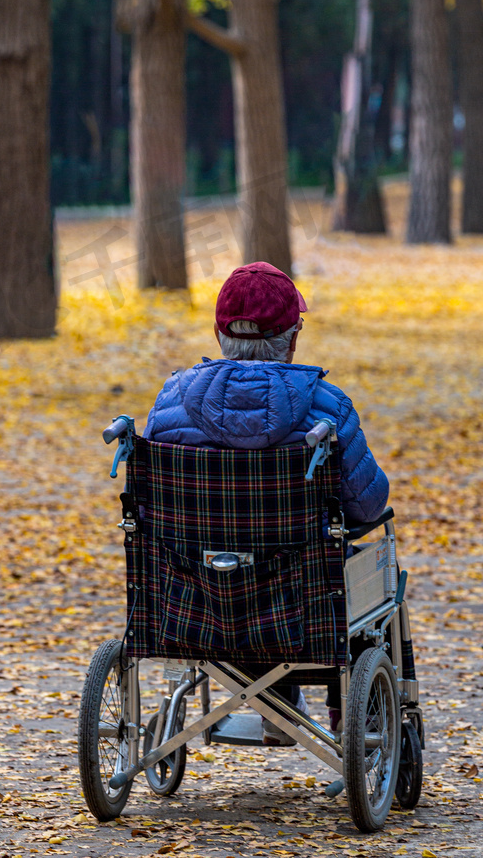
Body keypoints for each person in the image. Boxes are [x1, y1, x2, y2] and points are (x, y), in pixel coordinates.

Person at [143, 260, 389, 744]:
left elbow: (151, 508)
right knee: (366, 571)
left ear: (220, 334)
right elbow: (368, 506)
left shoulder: (170, 398)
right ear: (292, 338)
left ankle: (270, 699)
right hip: (300, 605)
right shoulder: (327, 407)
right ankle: (351, 716)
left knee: (231, 565)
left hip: (194, 599)